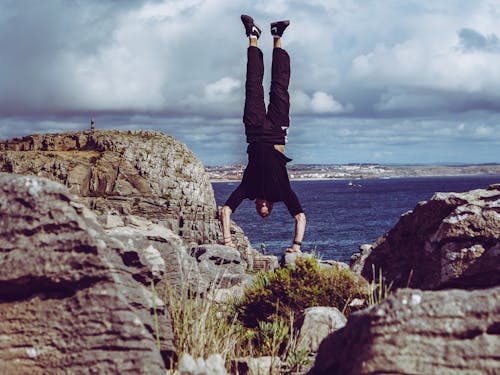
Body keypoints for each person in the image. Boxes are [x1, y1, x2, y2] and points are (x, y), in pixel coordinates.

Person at [220, 15, 306, 253]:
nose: (264, 207)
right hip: (278, 133)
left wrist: (227, 242)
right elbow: (300, 217)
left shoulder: (248, 188)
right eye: (267, 209)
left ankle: (253, 36)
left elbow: (225, 211)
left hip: (255, 131)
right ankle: (277, 36)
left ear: (257, 204)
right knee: (279, 87)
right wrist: (296, 246)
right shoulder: (282, 192)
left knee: (253, 85)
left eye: (261, 209)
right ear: (271, 206)